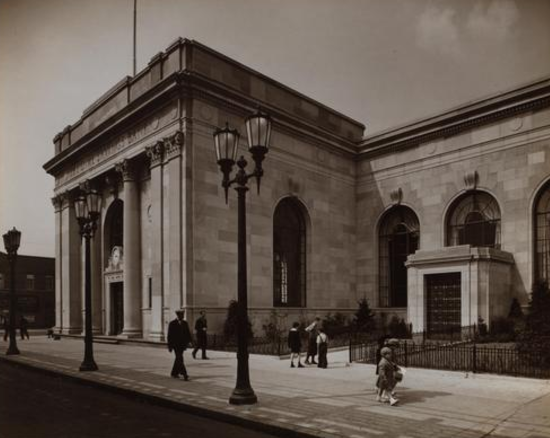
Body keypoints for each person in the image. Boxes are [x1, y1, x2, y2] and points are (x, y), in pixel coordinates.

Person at [167, 309, 192, 380]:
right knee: (180, 358)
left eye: (183, 315)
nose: (183, 316)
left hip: (182, 345)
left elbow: (187, 333)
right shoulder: (172, 323)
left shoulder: (185, 323)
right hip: (175, 345)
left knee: (178, 358)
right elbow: (169, 336)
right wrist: (170, 346)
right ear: (178, 315)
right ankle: (184, 374)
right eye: (182, 315)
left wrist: (190, 342)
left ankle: (174, 373)